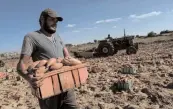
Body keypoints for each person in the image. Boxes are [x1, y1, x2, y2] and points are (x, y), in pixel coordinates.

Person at [17, 8, 78, 109]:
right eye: (51, 20)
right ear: (42, 19)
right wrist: (30, 78)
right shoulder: (31, 37)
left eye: (56, 21)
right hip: (48, 90)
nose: (55, 23)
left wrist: (74, 64)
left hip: (67, 86)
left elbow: (66, 55)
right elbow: (21, 66)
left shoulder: (57, 36)